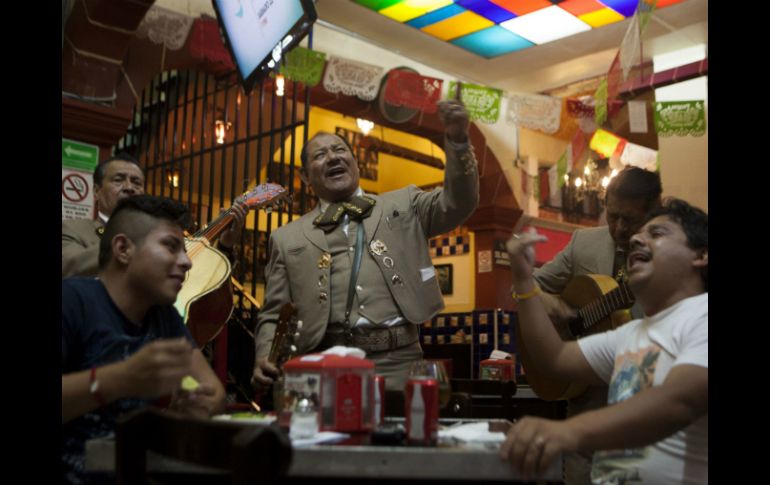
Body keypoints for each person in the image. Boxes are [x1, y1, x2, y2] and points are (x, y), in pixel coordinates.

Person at [251, 99, 479, 391]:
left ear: (355, 161)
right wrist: (263, 355)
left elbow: (459, 203)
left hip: (399, 363)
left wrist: (458, 142)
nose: (333, 157)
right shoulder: (285, 238)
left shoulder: (405, 203)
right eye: (320, 155)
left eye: (340, 150)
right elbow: (272, 314)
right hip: (322, 367)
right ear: (305, 177)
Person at [501, 198, 707, 484]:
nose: (635, 238)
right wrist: (524, 282)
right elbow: (554, 358)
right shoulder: (631, 333)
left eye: (657, 233)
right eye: (640, 233)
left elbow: (680, 401)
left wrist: (567, 431)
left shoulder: (702, 315)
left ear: (701, 255)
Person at [62, 195, 226, 484]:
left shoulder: (163, 316)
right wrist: (119, 379)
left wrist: (195, 401)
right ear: (123, 249)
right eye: (170, 246)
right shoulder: (73, 300)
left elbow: (210, 389)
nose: (187, 262)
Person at [527, 166, 662, 484]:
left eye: (629, 219)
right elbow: (528, 288)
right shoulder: (583, 244)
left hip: (647, 401)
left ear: (654, 210)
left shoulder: (671, 255)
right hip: (587, 400)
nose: (618, 227)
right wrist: (552, 304)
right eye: (612, 215)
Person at [62, 152, 245, 278]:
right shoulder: (74, 229)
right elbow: (70, 266)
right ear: (96, 191)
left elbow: (200, 279)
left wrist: (225, 246)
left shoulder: (165, 234)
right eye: (118, 180)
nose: (129, 187)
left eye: (136, 182)